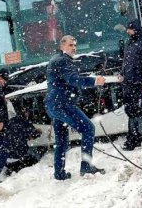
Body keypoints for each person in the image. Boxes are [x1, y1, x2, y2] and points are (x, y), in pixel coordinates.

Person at [45, 35, 106, 180]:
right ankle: (86, 167)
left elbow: (66, 79)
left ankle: (59, 173)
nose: (74, 48)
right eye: (70, 45)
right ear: (62, 46)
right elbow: (73, 80)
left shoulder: (56, 60)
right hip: (63, 104)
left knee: (61, 141)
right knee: (88, 128)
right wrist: (94, 81)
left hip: (53, 104)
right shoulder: (64, 61)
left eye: (75, 45)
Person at [119, 19, 142, 151]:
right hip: (128, 83)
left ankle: (137, 138)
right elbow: (125, 61)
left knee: (138, 110)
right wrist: (122, 73)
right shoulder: (129, 42)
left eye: (130, 29)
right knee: (129, 110)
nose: (128, 31)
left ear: (135, 29)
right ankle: (131, 136)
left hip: (140, 84)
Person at [4, 108, 44, 176]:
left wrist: (25, 136)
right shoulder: (25, 123)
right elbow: (35, 134)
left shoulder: (11, 121)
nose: (27, 114)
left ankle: (10, 168)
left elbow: (13, 134)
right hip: (19, 157)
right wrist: (39, 132)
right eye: (26, 113)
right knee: (37, 154)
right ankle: (18, 168)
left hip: (7, 157)